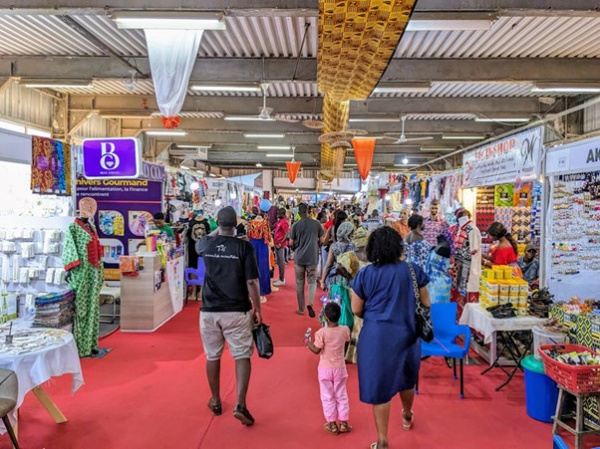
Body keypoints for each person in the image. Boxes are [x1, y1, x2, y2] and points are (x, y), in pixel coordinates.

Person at [350, 226, 431, 449]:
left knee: (380, 388)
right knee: (407, 377)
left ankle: (383, 440)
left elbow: (356, 308)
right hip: (407, 334)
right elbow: (426, 303)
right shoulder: (412, 270)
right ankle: (406, 414)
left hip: (376, 338)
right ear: (398, 246)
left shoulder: (366, 274)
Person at [195, 206, 262, 426]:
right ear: (237, 224)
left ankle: (215, 400)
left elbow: (199, 244)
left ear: (217, 223)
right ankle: (240, 403)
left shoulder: (207, 244)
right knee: (242, 355)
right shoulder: (244, 247)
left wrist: (217, 230)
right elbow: (251, 281)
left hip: (209, 311)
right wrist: (257, 309)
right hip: (237, 310)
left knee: (212, 355)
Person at [305, 302, 352, 435]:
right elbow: (347, 344)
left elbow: (316, 350)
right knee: (341, 394)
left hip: (325, 369)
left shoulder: (321, 333)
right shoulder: (345, 330)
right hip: (340, 368)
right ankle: (344, 422)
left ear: (325, 317)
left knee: (327, 396)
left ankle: (332, 424)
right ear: (340, 316)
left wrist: (307, 342)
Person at [290, 203, 324, 317]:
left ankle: (301, 309)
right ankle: (310, 303)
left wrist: (295, 248)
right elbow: (322, 240)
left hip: (299, 258)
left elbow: (291, 243)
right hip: (312, 257)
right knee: (312, 282)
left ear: (299, 213)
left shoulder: (295, 225)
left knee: (299, 284)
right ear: (308, 211)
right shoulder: (317, 224)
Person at [247, 211, 273, 302]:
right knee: (262, 268)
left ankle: (251, 293)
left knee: (252, 268)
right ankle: (261, 293)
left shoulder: (250, 223)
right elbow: (268, 237)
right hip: (262, 245)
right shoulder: (265, 223)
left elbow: (248, 236)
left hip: (252, 245)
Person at [426, 234, 453, 304]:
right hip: (433, 284)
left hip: (441, 285)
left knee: (441, 311)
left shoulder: (443, 247)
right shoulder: (438, 246)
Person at [273, 208, 290, 287]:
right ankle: (280, 278)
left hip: (280, 244)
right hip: (276, 243)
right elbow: (273, 227)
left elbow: (287, 234)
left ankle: (282, 279)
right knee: (279, 262)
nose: (277, 213)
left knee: (281, 261)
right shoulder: (279, 221)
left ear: (282, 214)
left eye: (278, 212)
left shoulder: (284, 222)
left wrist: (280, 243)